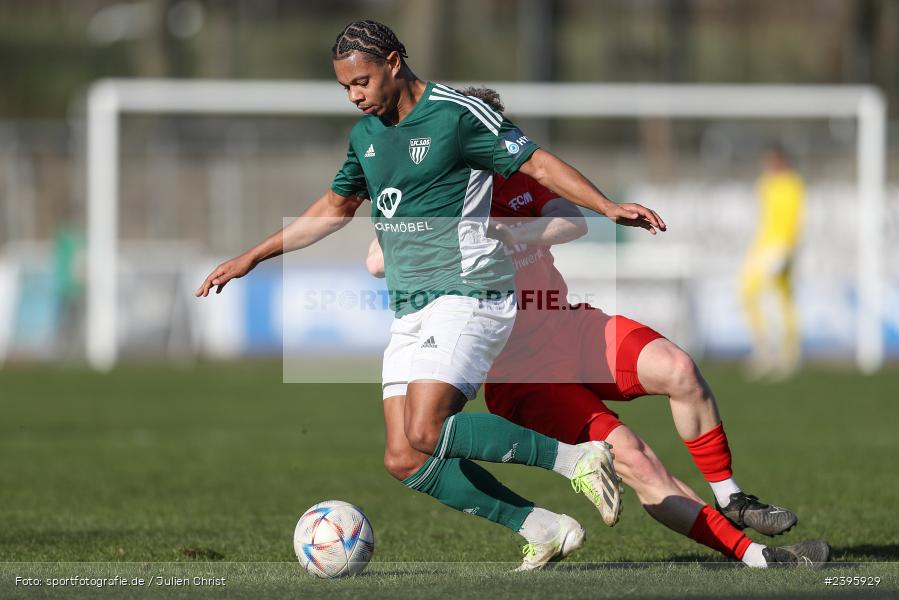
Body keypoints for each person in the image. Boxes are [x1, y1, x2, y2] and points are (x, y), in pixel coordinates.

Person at [196, 20, 667, 571]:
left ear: (395, 62)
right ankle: (545, 528)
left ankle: (578, 459)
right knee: (404, 457)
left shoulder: (456, 114)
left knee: (427, 428)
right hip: (411, 306)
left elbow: (535, 161)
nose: (354, 96)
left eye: (363, 81)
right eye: (345, 87)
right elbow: (334, 208)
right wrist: (251, 256)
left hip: (472, 291)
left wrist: (606, 206)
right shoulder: (366, 137)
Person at [367, 87, 830, 568]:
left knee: (678, 369)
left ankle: (731, 496)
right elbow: (377, 260)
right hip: (523, 373)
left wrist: (511, 232)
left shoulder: (516, 176)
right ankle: (757, 556)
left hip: (568, 325)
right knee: (635, 459)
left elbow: (572, 222)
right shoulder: (429, 195)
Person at [740, 146, 806, 379]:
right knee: (748, 294)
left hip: (781, 248)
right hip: (763, 246)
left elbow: (794, 219)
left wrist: (786, 249)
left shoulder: (792, 184)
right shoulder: (764, 184)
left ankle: (788, 353)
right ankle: (765, 347)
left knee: (782, 297)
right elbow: (765, 219)